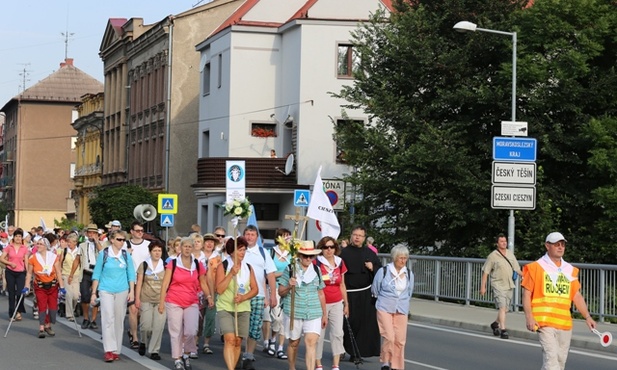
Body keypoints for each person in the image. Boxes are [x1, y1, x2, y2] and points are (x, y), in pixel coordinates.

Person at [522, 232, 597, 370]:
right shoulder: (535, 267)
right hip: (544, 322)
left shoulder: (569, 269)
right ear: (547, 246)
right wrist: (529, 318)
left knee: (560, 362)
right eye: (557, 244)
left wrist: (587, 317)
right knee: (551, 360)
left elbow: (576, 295)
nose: (560, 247)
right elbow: (526, 294)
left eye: (562, 245)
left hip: (564, 322)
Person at [159, 236, 213, 370]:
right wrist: (161, 302)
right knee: (176, 331)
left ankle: (186, 354)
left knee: (191, 331)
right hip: (174, 300)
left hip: (191, 301)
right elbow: (165, 283)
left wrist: (209, 296)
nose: (187, 249)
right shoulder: (173, 263)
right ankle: (177, 358)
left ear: (193, 248)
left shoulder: (197, 264)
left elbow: (203, 282)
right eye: (185, 246)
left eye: (190, 246)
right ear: (181, 248)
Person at [278, 240, 327, 370]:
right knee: (294, 343)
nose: (308, 258)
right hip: (294, 311)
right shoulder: (290, 269)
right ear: (299, 255)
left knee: (311, 342)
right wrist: (289, 285)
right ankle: (292, 367)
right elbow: (281, 292)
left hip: (314, 311)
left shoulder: (316, 269)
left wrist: (324, 314)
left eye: (311, 256)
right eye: (306, 256)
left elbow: (321, 292)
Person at [91, 229, 136, 362]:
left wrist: (132, 291)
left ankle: (116, 349)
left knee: (119, 319)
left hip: (122, 290)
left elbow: (131, 274)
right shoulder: (103, 254)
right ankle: (109, 350)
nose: (122, 242)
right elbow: (97, 274)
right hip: (106, 290)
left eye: (123, 240)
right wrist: (94, 292)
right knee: (108, 318)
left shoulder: (126, 255)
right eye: (119, 239)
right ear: (111, 240)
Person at [339, 225, 381, 361]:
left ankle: (356, 353)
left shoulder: (369, 253)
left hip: (365, 293)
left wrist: (372, 267)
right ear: (351, 236)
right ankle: (342, 349)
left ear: (364, 238)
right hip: (348, 293)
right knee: (348, 324)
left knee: (364, 324)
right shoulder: (343, 253)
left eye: (360, 235)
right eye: (355, 234)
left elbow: (379, 270)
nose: (357, 237)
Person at [216, 237, 258, 370]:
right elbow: (219, 289)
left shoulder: (248, 268)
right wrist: (230, 275)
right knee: (230, 339)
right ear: (232, 251)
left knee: (238, 341)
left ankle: (234, 365)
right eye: (240, 250)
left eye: (244, 250)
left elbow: (255, 289)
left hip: (243, 308)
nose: (243, 252)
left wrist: (244, 297)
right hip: (226, 307)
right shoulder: (223, 266)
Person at [240, 225, 278, 369]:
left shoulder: (263, 253)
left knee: (255, 327)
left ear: (257, 237)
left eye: (252, 234)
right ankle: (238, 354)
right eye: (247, 234)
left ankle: (249, 356)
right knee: (241, 326)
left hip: (258, 295)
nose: (249, 237)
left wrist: (272, 295)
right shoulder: (239, 251)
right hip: (241, 294)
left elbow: (270, 274)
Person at [372, 245, 413, 370]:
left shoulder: (409, 274)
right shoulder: (384, 271)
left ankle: (397, 366)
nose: (403, 261)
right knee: (389, 336)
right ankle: (385, 362)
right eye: (400, 258)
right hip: (385, 306)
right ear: (394, 258)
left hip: (401, 308)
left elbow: (409, 292)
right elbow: (375, 289)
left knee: (400, 339)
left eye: (405, 258)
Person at [314, 237, 348, 370]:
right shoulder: (317, 262)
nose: (329, 250)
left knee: (338, 333)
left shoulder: (340, 262)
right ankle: (318, 363)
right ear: (321, 249)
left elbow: (342, 284)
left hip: (336, 302)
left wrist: (346, 303)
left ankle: (336, 364)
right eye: (326, 247)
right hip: (320, 303)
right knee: (319, 334)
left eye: (332, 247)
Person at [480, 233, 522, 339]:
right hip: (498, 284)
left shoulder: (510, 254)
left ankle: (495, 324)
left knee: (505, 309)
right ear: (497, 243)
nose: (504, 243)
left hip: (509, 284)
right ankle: (503, 330)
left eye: (505, 241)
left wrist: (527, 276)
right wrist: (483, 287)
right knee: (502, 307)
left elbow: (517, 269)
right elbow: (486, 272)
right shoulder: (492, 256)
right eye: (501, 241)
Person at [23, 237, 66, 338]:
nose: (38, 245)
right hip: (40, 286)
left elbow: (58, 272)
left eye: (40, 244)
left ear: (46, 246)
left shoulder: (54, 257)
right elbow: (29, 273)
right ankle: (42, 327)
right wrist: (26, 286)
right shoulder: (32, 258)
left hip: (53, 286)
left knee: (53, 308)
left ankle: (48, 325)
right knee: (42, 307)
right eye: (37, 244)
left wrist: (62, 286)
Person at [135, 239, 166, 360]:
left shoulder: (166, 266)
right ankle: (143, 341)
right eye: (155, 250)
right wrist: (137, 299)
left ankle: (154, 350)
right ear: (150, 252)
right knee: (146, 326)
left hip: (160, 299)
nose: (157, 253)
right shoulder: (144, 265)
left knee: (158, 326)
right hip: (146, 298)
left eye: (159, 250)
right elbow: (139, 282)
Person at [264, 228, 291, 360]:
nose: (287, 239)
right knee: (277, 317)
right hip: (275, 287)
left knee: (285, 319)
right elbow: (269, 273)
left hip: (288, 288)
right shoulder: (271, 253)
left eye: (288, 236)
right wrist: (283, 273)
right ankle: (272, 339)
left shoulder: (292, 253)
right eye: (284, 236)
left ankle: (280, 347)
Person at [71, 223, 104, 330]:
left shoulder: (102, 244)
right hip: (86, 272)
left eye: (94, 233)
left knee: (96, 297)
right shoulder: (82, 245)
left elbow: (102, 252)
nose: (91, 235)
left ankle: (93, 320)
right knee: (85, 296)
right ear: (86, 233)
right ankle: (86, 318)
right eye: (90, 233)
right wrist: (71, 274)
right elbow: (77, 260)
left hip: (97, 273)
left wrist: (97, 241)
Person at [127, 221, 151, 349]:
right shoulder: (125, 245)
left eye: (142, 231)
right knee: (133, 309)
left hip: (145, 281)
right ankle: (135, 337)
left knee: (141, 311)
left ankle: (133, 330)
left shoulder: (148, 245)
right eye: (137, 230)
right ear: (131, 232)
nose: (140, 233)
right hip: (131, 281)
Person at [0, 228, 28, 321]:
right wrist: (9, 263)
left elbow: (26, 261)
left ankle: (19, 311)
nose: (18, 238)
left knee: (20, 293)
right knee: (11, 293)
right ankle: (11, 314)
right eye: (16, 236)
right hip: (10, 271)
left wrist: (28, 272)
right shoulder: (9, 247)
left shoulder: (24, 248)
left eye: (20, 236)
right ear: (14, 237)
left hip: (21, 272)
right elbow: (2, 258)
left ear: (22, 238)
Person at [201, 233, 222, 354]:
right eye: (207, 241)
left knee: (210, 317)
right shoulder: (197, 256)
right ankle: (194, 341)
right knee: (198, 318)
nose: (209, 244)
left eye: (212, 242)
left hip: (213, 290)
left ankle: (206, 343)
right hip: (197, 290)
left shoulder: (218, 258)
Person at [61, 233, 81, 322]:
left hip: (76, 276)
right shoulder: (65, 251)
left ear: (75, 242)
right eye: (67, 242)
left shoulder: (79, 251)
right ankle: (69, 314)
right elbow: (60, 262)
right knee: (69, 294)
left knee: (76, 296)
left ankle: (72, 309)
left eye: (70, 242)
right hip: (66, 274)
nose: (68, 244)